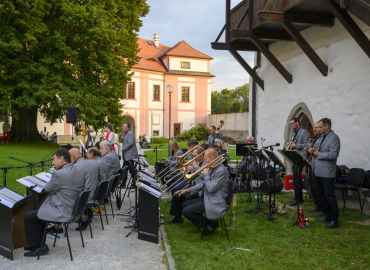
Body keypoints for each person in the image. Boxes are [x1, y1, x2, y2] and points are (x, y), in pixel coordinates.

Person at [23, 149, 85, 257]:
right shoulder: (78, 170)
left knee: (29, 216)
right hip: (74, 209)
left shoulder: (59, 174)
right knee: (39, 209)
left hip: (64, 211)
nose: (52, 163)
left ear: (61, 159)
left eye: (53, 159)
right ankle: (37, 243)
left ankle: (40, 246)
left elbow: (48, 189)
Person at [179, 149, 229, 238]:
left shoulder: (221, 170)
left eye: (206, 159)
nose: (205, 161)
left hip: (215, 201)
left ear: (212, 158)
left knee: (186, 211)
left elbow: (210, 188)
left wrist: (206, 175)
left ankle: (210, 224)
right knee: (184, 204)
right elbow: (203, 184)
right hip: (208, 197)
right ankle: (206, 224)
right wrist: (187, 190)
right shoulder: (213, 166)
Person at [308, 118, 340, 229]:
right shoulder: (322, 137)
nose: (318, 129)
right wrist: (312, 151)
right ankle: (328, 215)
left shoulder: (334, 138)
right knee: (323, 195)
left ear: (327, 126)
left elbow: (333, 154)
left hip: (327, 172)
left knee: (330, 196)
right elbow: (318, 150)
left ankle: (335, 220)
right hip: (318, 171)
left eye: (320, 127)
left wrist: (318, 154)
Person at [168, 146, 206, 223]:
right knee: (177, 194)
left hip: (200, 190)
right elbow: (192, 176)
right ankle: (177, 217)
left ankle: (194, 215)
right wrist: (190, 170)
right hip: (194, 185)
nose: (194, 158)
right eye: (193, 156)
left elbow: (205, 178)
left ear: (202, 155)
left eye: (196, 156)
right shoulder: (197, 162)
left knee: (182, 196)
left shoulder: (205, 163)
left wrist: (196, 168)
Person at [69, 148, 104, 231]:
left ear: (73, 157)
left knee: (65, 196)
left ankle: (83, 218)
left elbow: (72, 186)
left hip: (86, 197)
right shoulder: (94, 163)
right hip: (96, 195)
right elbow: (103, 179)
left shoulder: (75, 167)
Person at [287, 118, 310, 206]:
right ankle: (297, 198)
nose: (291, 125)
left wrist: (295, 145)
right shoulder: (293, 133)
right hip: (294, 158)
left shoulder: (304, 132)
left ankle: (298, 199)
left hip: (301, 157)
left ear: (297, 123)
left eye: (292, 123)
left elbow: (307, 144)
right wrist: (289, 144)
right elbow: (293, 144)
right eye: (290, 124)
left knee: (297, 177)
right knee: (295, 178)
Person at [307, 123, 326, 217]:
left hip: (319, 166)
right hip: (312, 164)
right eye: (314, 127)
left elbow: (321, 151)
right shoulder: (315, 138)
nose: (315, 129)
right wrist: (309, 149)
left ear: (321, 128)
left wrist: (313, 150)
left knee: (319, 188)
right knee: (313, 187)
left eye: (317, 127)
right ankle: (318, 205)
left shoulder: (323, 138)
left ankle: (323, 209)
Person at [121, 122, 138, 187]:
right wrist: (123, 139)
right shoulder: (127, 133)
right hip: (126, 156)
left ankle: (134, 184)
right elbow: (128, 142)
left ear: (126, 127)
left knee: (132, 170)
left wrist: (123, 148)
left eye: (123, 126)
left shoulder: (130, 133)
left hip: (129, 156)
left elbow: (130, 143)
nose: (122, 127)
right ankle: (123, 184)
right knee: (124, 170)